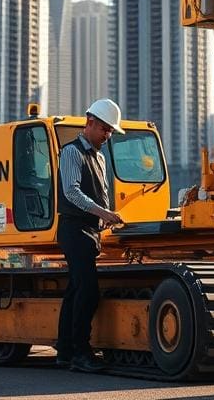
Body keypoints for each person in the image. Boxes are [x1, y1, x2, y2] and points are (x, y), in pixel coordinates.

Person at [55, 98, 125, 373]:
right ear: (90, 123)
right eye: (105, 129)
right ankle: (81, 354)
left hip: (89, 229)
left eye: (110, 131)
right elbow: (71, 192)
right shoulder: (71, 152)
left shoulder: (99, 156)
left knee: (75, 291)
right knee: (88, 292)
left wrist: (106, 217)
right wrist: (103, 213)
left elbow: (101, 194)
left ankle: (64, 351)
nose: (107, 135)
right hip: (74, 228)